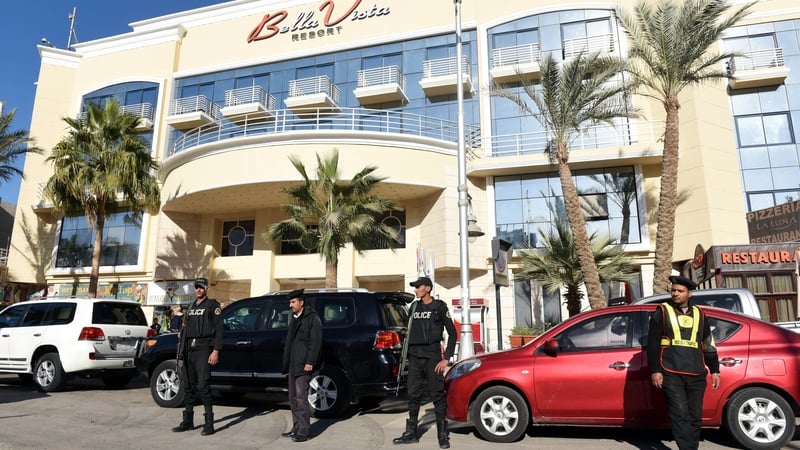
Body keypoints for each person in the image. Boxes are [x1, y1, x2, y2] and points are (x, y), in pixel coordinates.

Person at [647, 275, 720, 450]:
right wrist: (655, 370)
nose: (675, 294)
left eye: (680, 291)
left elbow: (708, 343)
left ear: (690, 293)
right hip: (671, 371)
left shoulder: (700, 314)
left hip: (696, 371)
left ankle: (691, 447)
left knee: (695, 416)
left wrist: (715, 370)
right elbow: (652, 343)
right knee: (679, 414)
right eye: (673, 290)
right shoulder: (662, 311)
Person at [394, 276, 457, 449]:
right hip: (414, 357)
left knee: (437, 394)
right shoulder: (414, 307)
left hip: (433, 357)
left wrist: (446, 359)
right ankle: (411, 433)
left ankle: (442, 435)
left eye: (418, 287)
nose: (416, 289)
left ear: (428, 288)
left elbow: (453, 333)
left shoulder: (439, 307)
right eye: (415, 287)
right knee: (413, 394)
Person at [172, 277, 223, 436]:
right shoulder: (191, 306)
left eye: (201, 287)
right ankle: (188, 421)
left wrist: (216, 350)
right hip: (188, 348)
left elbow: (220, 329)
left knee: (203, 385)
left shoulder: (213, 306)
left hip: (203, 348)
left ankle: (209, 424)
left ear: (206, 288)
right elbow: (185, 327)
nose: (198, 290)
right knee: (188, 386)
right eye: (196, 287)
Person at [281, 288, 323, 443]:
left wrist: (310, 362)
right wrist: (286, 365)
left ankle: (304, 431)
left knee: (301, 398)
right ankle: (296, 427)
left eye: (293, 302)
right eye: (290, 302)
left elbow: (315, 342)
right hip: (293, 364)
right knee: (292, 398)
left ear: (301, 302)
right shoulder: (295, 318)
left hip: (303, 364)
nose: (290, 305)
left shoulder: (312, 318)